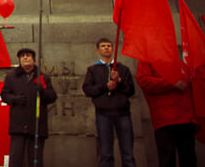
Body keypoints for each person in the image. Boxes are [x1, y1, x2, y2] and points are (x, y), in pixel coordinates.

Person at [82, 38, 136, 167]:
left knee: (128, 153)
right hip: (103, 114)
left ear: (113, 49)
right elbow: (87, 89)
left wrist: (119, 81)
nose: (106, 48)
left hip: (123, 113)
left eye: (109, 46)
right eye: (103, 46)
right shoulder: (93, 69)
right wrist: (105, 87)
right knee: (106, 153)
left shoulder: (123, 69)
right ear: (98, 50)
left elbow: (131, 91)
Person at [0, 47, 57, 166]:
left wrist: (43, 91)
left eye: (28, 55)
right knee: (16, 158)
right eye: (22, 56)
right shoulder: (11, 76)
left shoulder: (43, 77)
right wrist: (14, 99)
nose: (25, 58)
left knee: (35, 158)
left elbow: (52, 97)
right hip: (18, 123)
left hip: (36, 123)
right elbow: (4, 94)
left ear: (34, 60)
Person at [137, 59, 198, 167]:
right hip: (165, 118)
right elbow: (144, 81)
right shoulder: (147, 61)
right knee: (167, 158)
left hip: (186, 117)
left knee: (189, 157)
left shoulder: (180, 62)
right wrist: (171, 83)